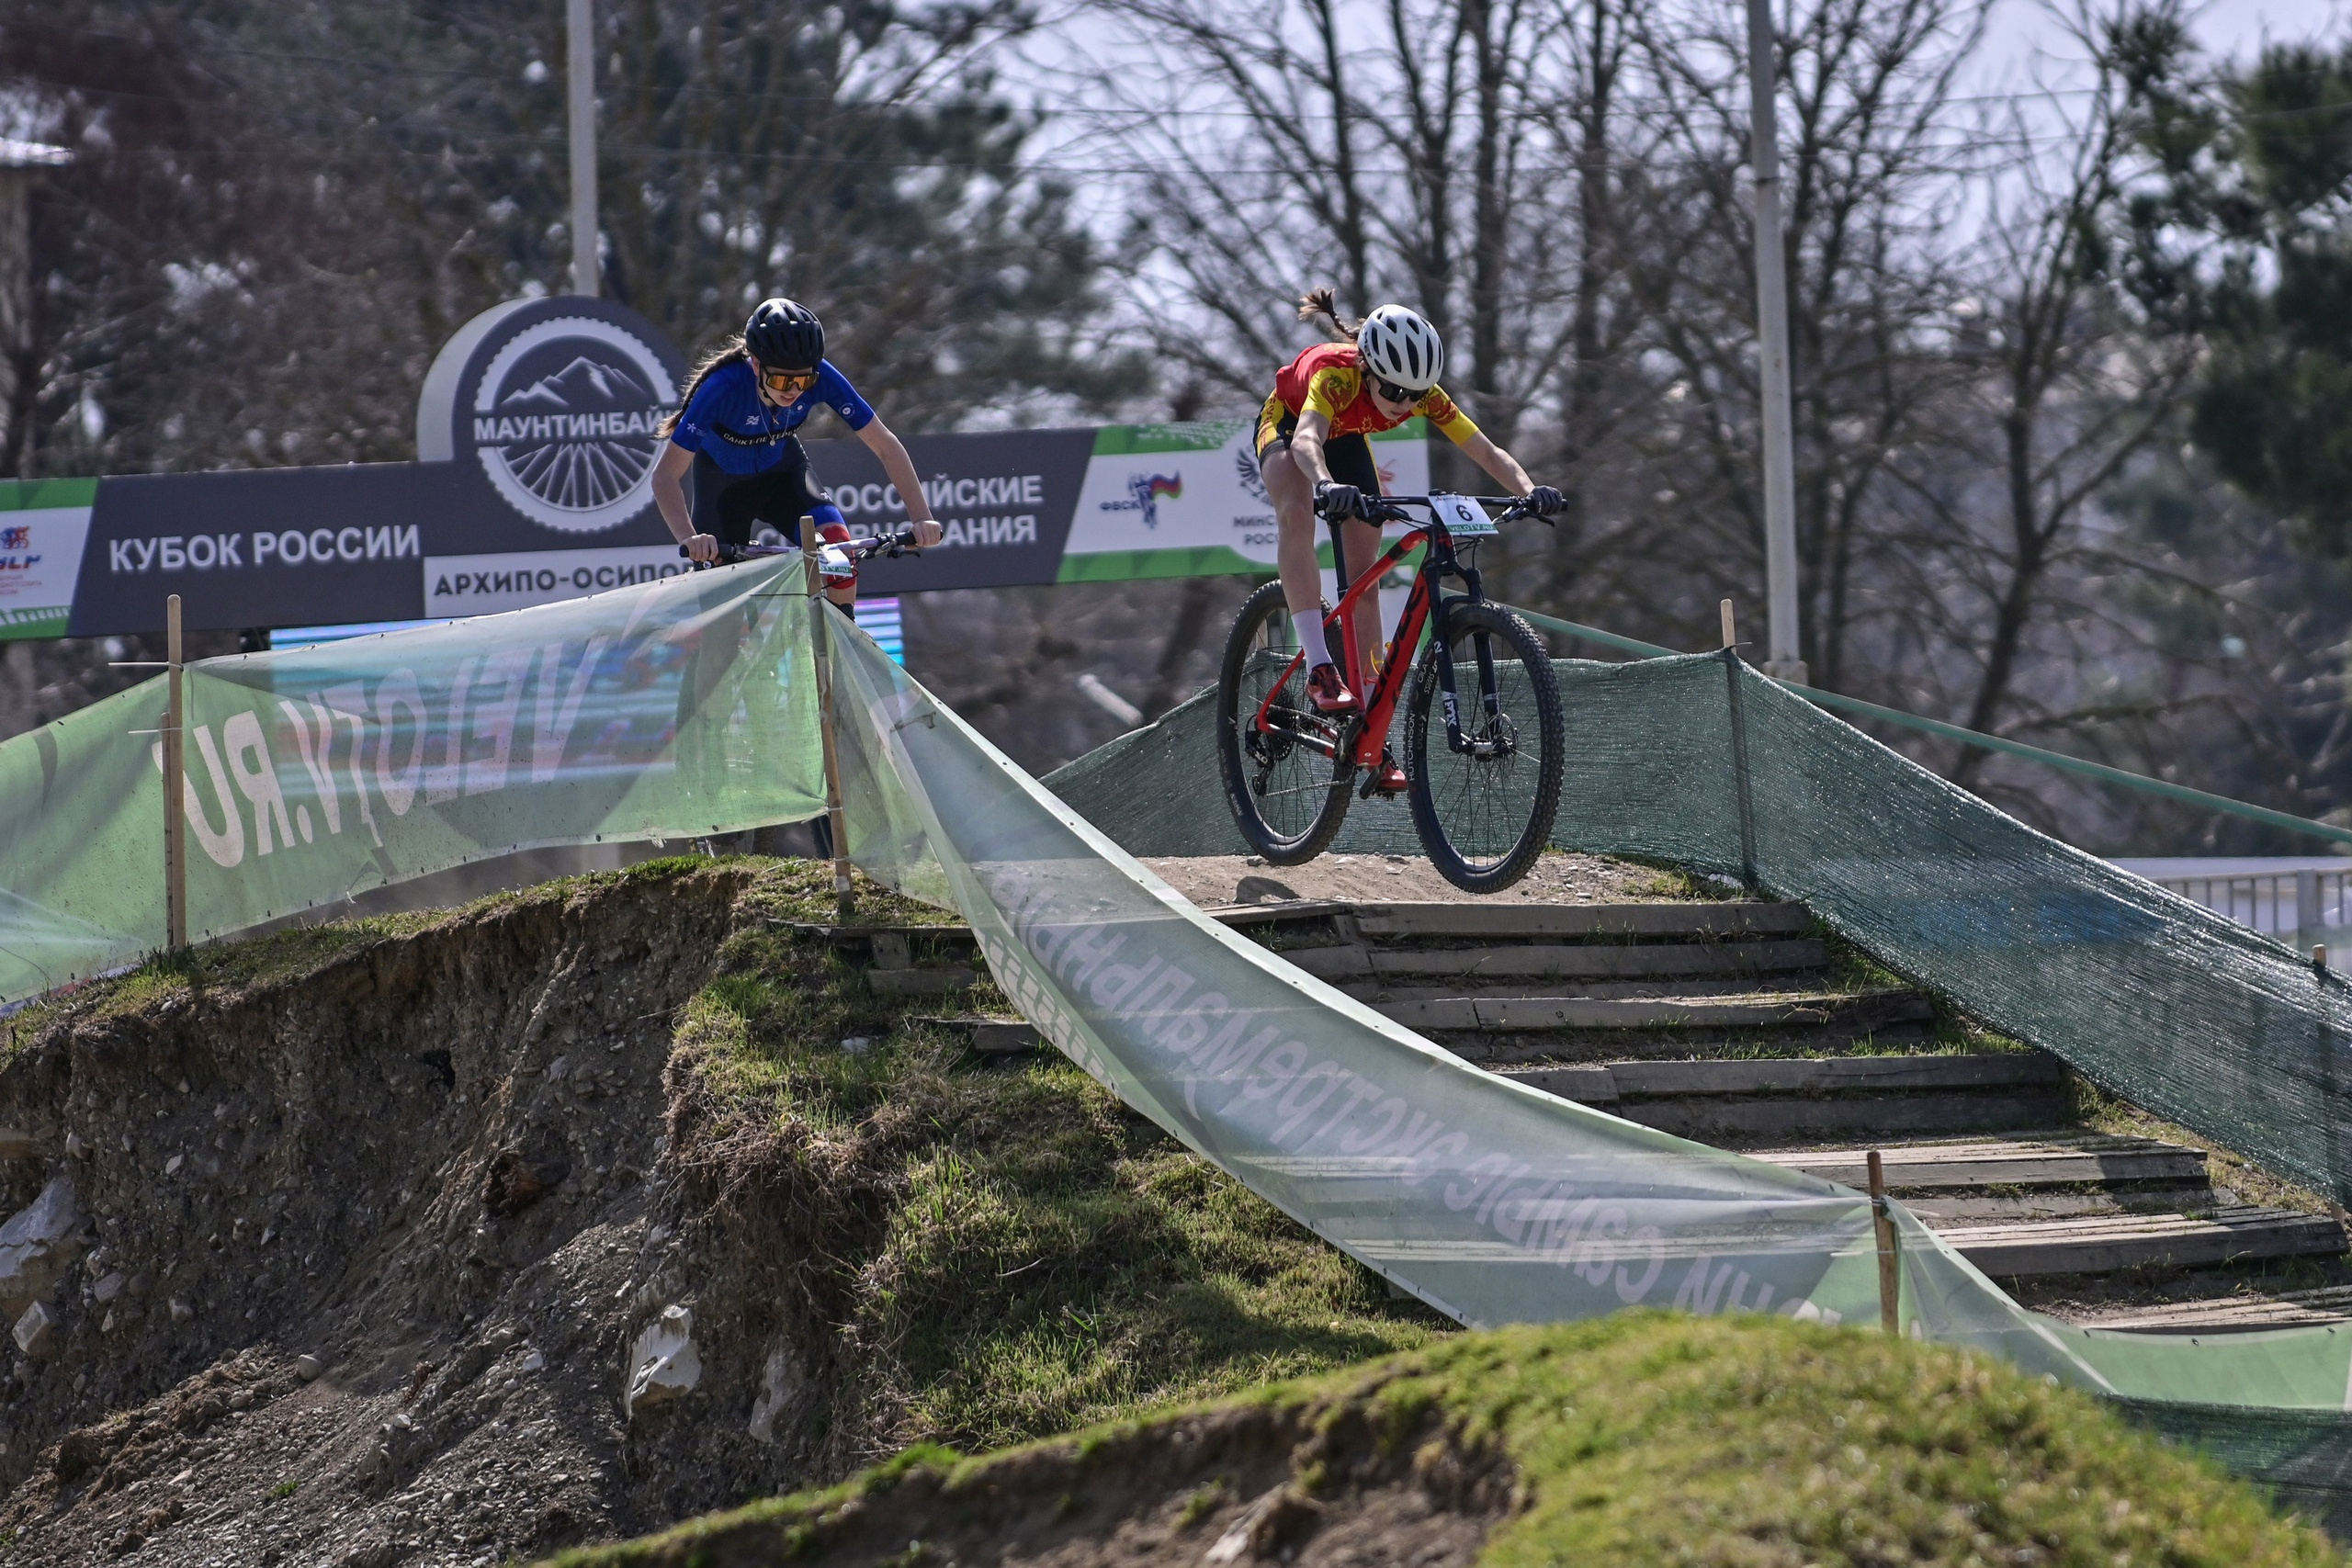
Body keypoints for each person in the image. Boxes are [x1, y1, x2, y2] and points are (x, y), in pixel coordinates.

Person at [1255, 289, 1563, 734]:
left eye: (1415, 394)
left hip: (1345, 436)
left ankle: (1370, 707)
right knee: (1297, 514)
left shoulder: (1421, 394)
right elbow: (1306, 441)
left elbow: (1487, 451)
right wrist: (1325, 484)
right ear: (1368, 368)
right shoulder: (1335, 377)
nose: (1405, 402)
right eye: (1396, 390)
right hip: (1291, 422)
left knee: (1366, 577)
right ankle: (1320, 667)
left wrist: (1531, 491)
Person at [651, 298, 942, 604]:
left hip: (784, 476)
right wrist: (689, 538)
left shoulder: (823, 377)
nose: (793, 389)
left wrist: (921, 517)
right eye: (781, 379)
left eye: (804, 380)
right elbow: (665, 476)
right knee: (722, 610)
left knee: (836, 554)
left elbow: (884, 444)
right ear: (756, 365)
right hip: (723, 488)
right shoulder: (723, 387)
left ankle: (841, 629)